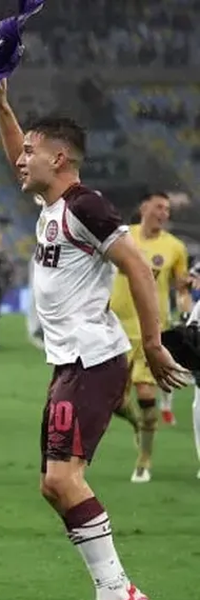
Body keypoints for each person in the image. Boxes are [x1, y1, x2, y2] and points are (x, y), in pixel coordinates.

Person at [0, 73, 190, 600]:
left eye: (31, 151)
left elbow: (139, 270)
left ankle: (118, 590)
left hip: (93, 360)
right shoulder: (55, 209)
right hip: (70, 364)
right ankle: (115, 588)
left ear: (60, 159)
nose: (20, 160)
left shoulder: (85, 206)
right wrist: (1, 107)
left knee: (61, 481)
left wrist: (152, 343)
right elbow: (16, 157)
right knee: (54, 485)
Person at [107, 192, 191, 483]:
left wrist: (187, 310)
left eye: (167, 209)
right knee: (115, 401)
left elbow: (181, 288)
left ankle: (144, 459)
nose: (164, 213)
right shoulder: (120, 236)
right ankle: (137, 425)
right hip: (114, 328)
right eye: (159, 207)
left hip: (151, 330)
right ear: (144, 207)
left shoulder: (175, 248)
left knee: (145, 394)